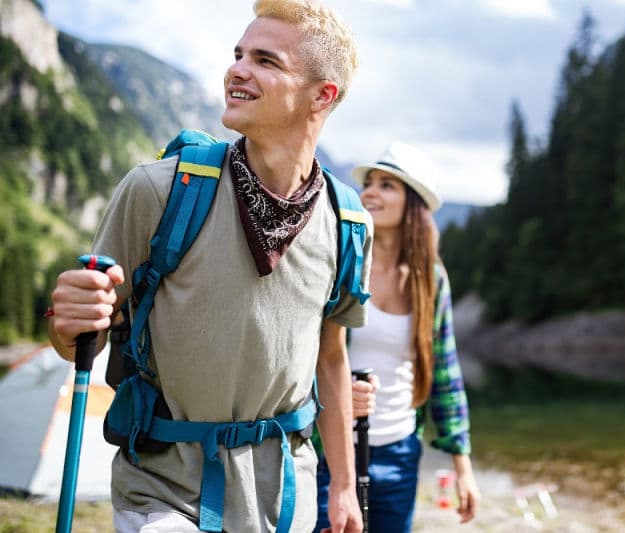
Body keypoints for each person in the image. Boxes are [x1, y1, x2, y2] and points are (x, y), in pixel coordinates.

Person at [48, 1, 369, 532]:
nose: (237, 69)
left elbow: (331, 360)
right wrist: (69, 325)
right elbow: (81, 342)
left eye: (266, 60)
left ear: (322, 95)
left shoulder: (348, 223)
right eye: (238, 54)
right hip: (162, 487)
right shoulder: (160, 189)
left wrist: (342, 486)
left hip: (286, 495)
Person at [314, 142, 480, 533]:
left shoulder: (431, 280)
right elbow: (305, 356)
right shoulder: (340, 263)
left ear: (415, 204)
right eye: (369, 183)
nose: (370, 191)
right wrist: (334, 395)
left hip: (401, 452)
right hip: (329, 452)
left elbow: (445, 374)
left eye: (387, 185)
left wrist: (462, 465)